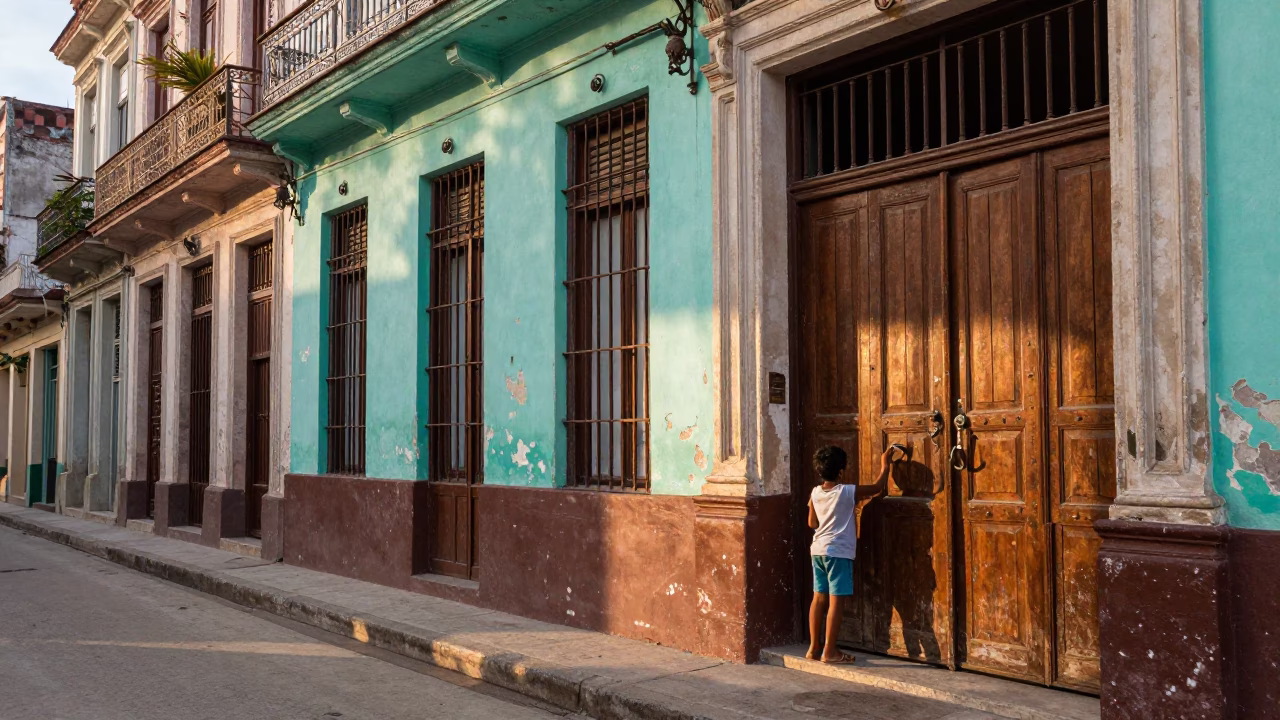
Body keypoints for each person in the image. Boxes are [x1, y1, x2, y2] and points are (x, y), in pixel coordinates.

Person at [805, 444, 900, 664]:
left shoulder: (815, 492)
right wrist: (885, 463)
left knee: (818, 598)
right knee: (836, 602)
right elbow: (877, 487)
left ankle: (813, 648)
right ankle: (830, 651)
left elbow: (812, 522)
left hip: (817, 551)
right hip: (838, 552)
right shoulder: (846, 491)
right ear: (841, 471)